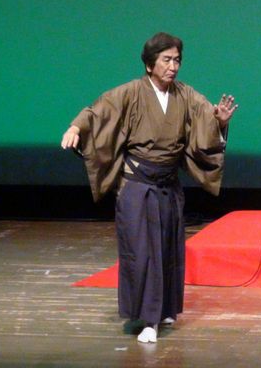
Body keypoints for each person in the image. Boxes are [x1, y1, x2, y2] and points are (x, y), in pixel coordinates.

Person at [61, 32, 237, 343]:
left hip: (168, 185)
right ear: (149, 64)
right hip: (137, 186)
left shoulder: (185, 94)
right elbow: (97, 112)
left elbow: (205, 122)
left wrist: (220, 122)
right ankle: (147, 319)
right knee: (142, 253)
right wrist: (76, 127)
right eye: (166, 60)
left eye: (177, 60)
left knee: (168, 250)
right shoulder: (130, 93)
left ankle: (165, 309)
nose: (173, 67)